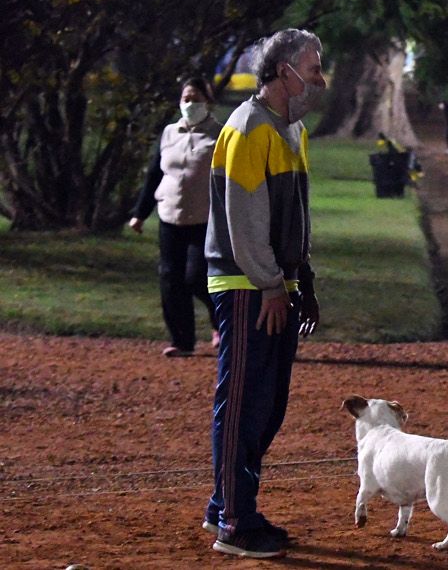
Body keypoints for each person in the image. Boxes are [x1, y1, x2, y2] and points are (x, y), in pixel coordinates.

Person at [204, 29, 324, 559]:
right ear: (283, 73)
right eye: (313, 68)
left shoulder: (291, 130)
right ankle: (235, 521)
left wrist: (304, 278)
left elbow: (293, 216)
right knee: (244, 404)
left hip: (276, 282)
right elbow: (245, 221)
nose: (319, 78)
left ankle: (227, 502)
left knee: (268, 405)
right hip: (248, 284)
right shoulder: (250, 128)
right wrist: (272, 283)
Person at [128, 80, 222, 357]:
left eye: (196, 97)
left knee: (196, 277)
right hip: (170, 216)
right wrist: (139, 214)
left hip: (205, 218)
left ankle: (221, 322)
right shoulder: (169, 133)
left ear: (208, 102)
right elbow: (154, 175)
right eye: (186, 98)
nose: (190, 103)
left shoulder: (221, 134)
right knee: (170, 278)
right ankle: (181, 341)